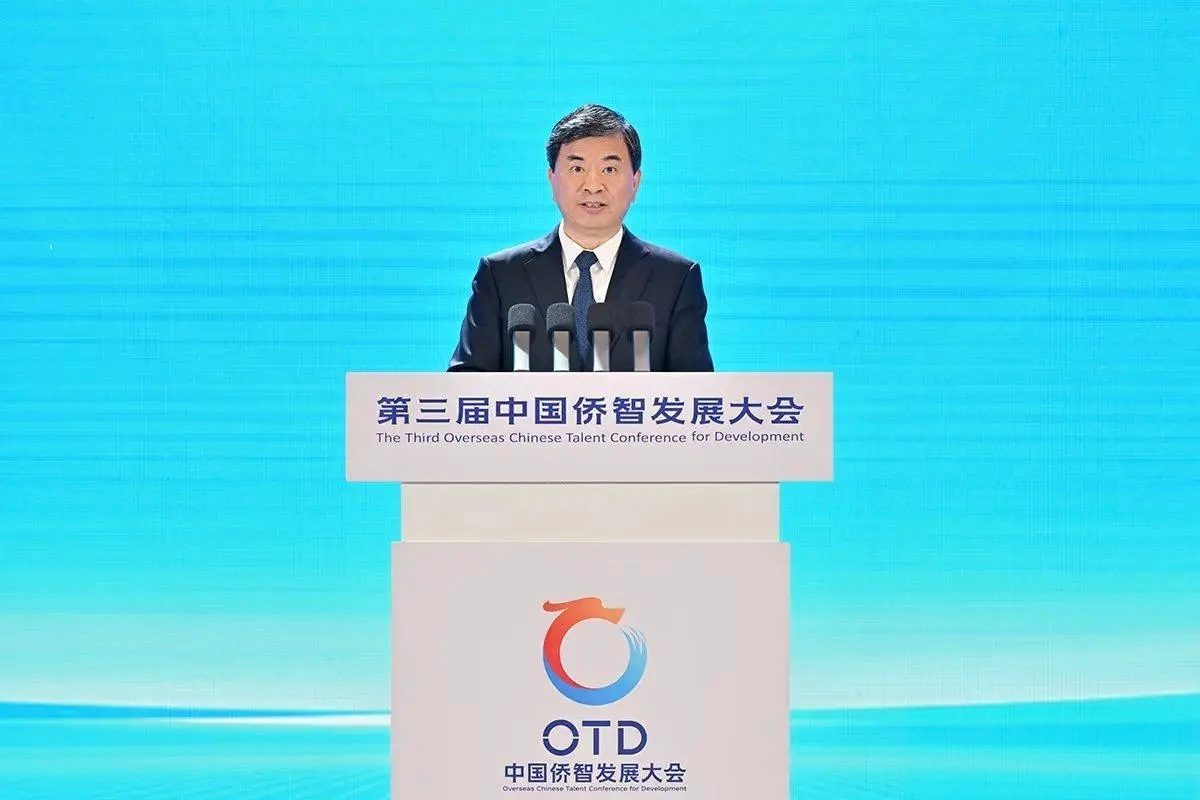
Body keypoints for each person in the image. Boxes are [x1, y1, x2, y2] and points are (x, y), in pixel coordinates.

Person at [447, 104, 714, 372]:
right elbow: (466, 384)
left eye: (609, 169)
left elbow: (697, 392)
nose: (593, 186)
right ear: (552, 180)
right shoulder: (501, 275)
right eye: (577, 169)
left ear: (635, 183)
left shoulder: (675, 279)